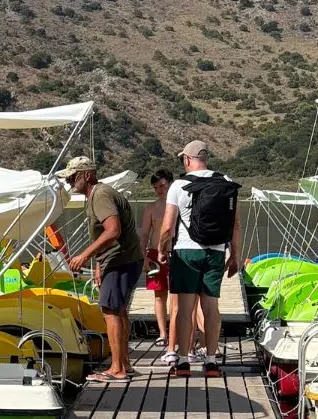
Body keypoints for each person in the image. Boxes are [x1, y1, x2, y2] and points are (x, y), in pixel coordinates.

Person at [159, 141, 241, 378]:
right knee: (211, 307)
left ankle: (183, 362)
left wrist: (162, 250)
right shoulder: (226, 182)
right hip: (215, 252)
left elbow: (167, 226)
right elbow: (235, 224)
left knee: (185, 310)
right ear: (206, 157)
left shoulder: (179, 185)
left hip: (186, 250)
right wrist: (235, 255)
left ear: (186, 159)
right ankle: (212, 362)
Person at [61, 157, 142, 382]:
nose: (69, 181)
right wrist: (98, 263)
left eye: (73, 176)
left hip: (120, 260)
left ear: (87, 174)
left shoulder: (100, 195)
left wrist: (84, 255)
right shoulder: (98, 194)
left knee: (111, 311)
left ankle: (117, 369)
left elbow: (113, 230)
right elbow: (103, 234)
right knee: (119, 310)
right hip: (119, 260)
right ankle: (124, 363)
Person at [139, 169, 172, 350]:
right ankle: (162, 333)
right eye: (156, 187)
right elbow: (144, 233)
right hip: (154, 254)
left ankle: (177, 332)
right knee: (159, 295)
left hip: (176, 253)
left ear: (170, 184)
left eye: (162, 186)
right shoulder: (151, 208)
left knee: (178, 296)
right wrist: (143, 255)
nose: (160, 190)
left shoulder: (179, 205)